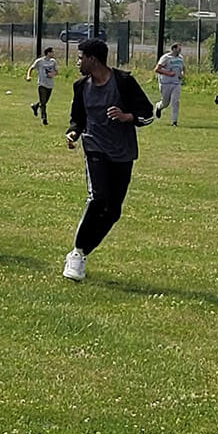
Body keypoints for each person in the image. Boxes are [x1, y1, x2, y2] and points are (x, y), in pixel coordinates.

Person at [63, 38, 153, 281]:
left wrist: (126, 116)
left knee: (113, 211)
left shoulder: (124, 82)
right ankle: (77, 253)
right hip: (95, 149)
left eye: (80, 58)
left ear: (93, 60)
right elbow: (78, 119)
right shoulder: (80, 86)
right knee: (98, 198)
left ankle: (83, 252)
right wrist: (73, 133)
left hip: (123, 153)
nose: (77, 62)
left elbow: (147, 114)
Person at [154, 43, 185, 126]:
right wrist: (168, 73)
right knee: (165, 103)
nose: (180, 51)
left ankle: (174, 121)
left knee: (175, 101)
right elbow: (157, 69)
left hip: (176, 83)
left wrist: (182, 74)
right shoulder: (166, 58)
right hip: (166, 83)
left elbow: (183, 68)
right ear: (173, 49)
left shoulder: (181, 58)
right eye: (178, 49)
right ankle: (158, 107)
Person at [26, 46, 59, 125]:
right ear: (48, 53)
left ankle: (35, 106)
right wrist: (28, 76)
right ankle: (44, 118)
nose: (53, 53)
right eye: (52, 52)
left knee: (44, 101)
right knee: (43, 103)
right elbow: (31, 68)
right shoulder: (40, 61)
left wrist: (53, 74)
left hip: (50, 84)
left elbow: (56, 71)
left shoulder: (53, 61)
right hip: (42, 84)